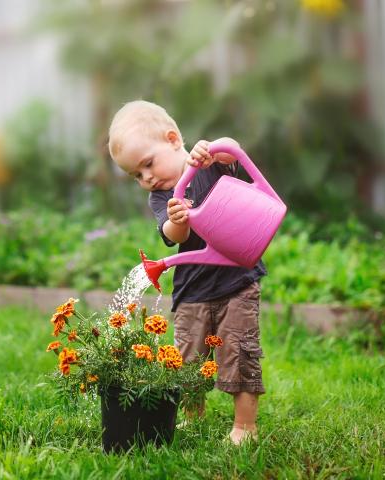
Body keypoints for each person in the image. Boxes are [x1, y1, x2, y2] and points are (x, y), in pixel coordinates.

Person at [107, 100, 267, 445]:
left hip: (236, 280)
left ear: (172, 138)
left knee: (239, 352)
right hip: (192, 289)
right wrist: (177, 220)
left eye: (147, 164)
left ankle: (244, 427)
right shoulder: (162, 197)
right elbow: (171, 235)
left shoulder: (208, 163)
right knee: (188, 358)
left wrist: (216, 150)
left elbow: (234, 152)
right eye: (136, 174)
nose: (146, 177)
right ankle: (194, 417)